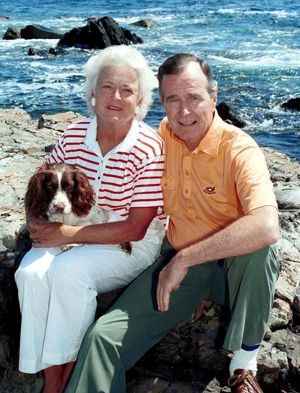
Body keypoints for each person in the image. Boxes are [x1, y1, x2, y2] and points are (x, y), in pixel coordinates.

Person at [65, 53, 280, 393]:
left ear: (213, 96)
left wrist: (184, 258)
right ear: (160, 104)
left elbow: (268, 226)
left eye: (194, 97)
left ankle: (244, 365)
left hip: (233, 271)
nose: (184, 111)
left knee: (261, 251)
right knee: (103, 339)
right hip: (184, 271)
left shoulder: (239, 150)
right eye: (173, 100)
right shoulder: (160, 140)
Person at [15, 45, 166, 393]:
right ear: (92, 93)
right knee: (31, 273)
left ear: (140, 99)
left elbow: (136, 227)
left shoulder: (148, 147)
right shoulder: (72, 135)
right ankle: (53, 380)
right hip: (72, 232)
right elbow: (40, 182)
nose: (116, 96)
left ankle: (60, 386)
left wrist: (65, 234)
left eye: (127, 90)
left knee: (68, 274)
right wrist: (35, 222)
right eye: (107, 87)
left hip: (130, 243)